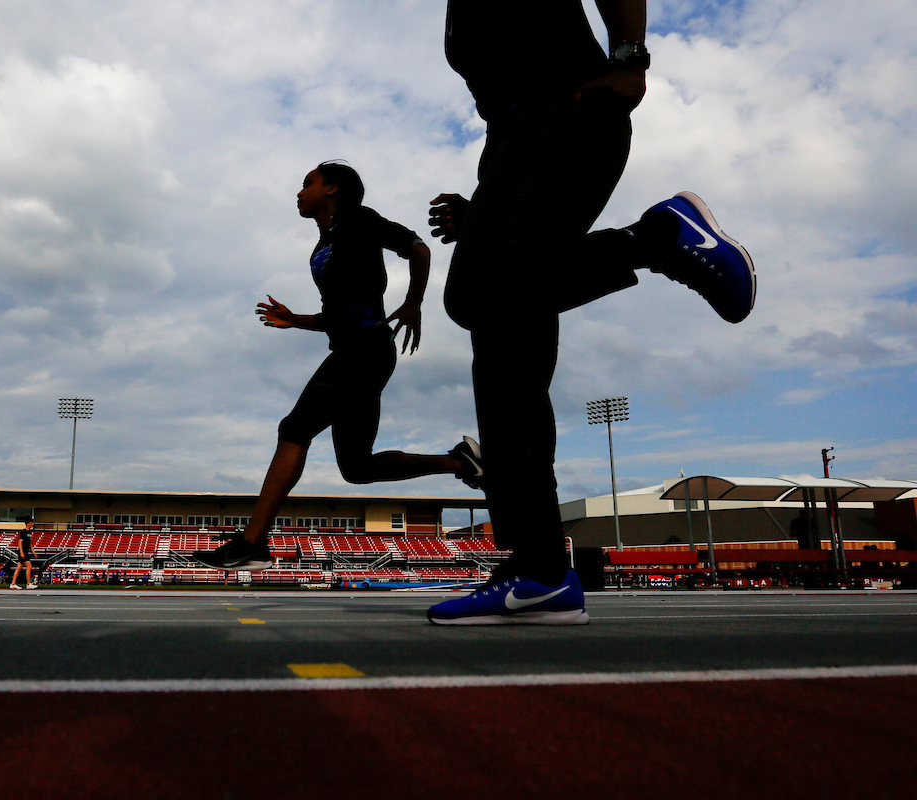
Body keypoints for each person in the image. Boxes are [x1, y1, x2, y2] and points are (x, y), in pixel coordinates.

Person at [425, 0, 755, 624]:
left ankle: (656, 239)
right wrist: (491, 214)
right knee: (497, 321)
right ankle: (541, 568)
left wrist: (629, 55)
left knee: (486, 302)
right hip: (518, 139)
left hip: (564, 112)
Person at [195, 161, 484, 571]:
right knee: (357, 468)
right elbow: (335, 316)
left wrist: (415, 300)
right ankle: (461, 462)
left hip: (364, 351)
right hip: (357, 350)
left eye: (306, 183)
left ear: (332, 189)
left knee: (294, 429)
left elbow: (418, 246)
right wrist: (296, 319)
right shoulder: (323, 246)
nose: (299, 191)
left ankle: (252, 542)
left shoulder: (360, 220)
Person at [9, 517, 38, 590]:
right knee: (29, 566)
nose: (32, 524)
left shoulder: (29, 532)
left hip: (26, 551)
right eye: (31, 523)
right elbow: (20, 542)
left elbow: (29, 543)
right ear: (28, 523)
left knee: (18, 568)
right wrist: (22, 552)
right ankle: (28, 583)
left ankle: (13, 583)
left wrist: (33, 552)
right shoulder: (23, 532)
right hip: (23, 552)